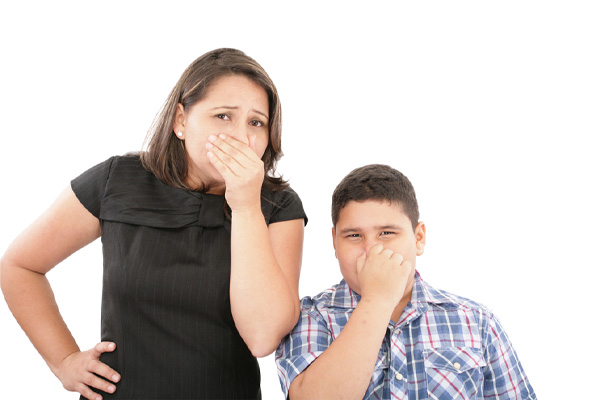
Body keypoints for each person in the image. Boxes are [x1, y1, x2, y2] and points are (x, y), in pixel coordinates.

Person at [1, 48, 307, 400]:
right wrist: (64, 361)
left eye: (257, 122)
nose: (241, 136)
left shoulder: (278, 207)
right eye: (223, 116)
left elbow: (263, 336)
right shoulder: (117, 180)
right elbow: (19, 265)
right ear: (180, 121)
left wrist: (246, 206)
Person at [275, 164, 535, 399]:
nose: (372, 250)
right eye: (354, 235)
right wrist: (377, 298)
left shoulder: (477, 321)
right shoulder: (309, 316)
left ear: (418, 238)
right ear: (334, 242)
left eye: (387, 233)